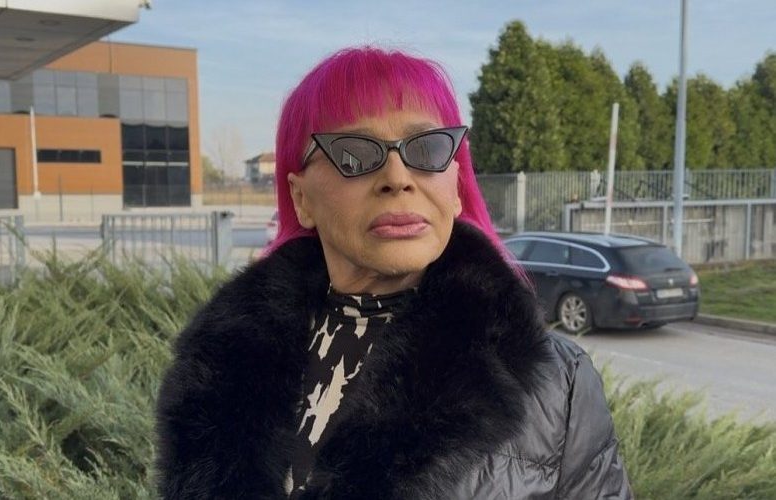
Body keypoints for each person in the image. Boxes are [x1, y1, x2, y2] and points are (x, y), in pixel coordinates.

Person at [155, 46, 632, 499]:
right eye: (355, 154)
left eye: (428, 148)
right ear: (301, 198)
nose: (398, 177)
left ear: (456, 187)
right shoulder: (219, 367)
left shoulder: (560, 383)